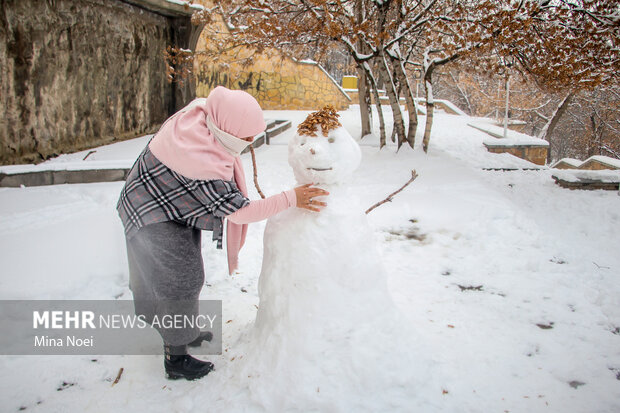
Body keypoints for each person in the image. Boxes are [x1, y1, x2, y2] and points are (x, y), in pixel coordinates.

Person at [116, 86, 328, 381]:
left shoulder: (204, 116)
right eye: (247, 137)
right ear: (228, 131)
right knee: (180, 280)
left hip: (166, 202)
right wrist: (291, 198)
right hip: (150, 211)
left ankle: (182, 331)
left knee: (183, 275)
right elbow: (241, 211)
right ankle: (175, 359)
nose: (251, 142)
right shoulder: (202, 163)